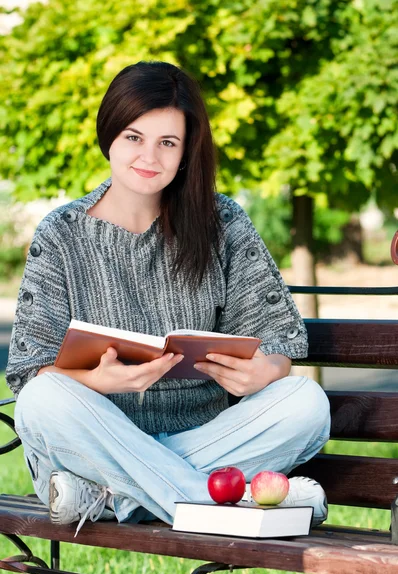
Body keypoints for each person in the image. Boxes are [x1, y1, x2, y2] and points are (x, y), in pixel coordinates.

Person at [6, 61, 330, 536]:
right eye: (134, 137)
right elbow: (30, 367)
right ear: (110, 135)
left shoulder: (222, 222)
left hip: (203, 436)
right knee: (40, 400)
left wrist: (268, 370)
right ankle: (209, 500)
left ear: (186, 152)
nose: (149, 156)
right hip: (99, 435)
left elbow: (277, 335)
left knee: (306, 402)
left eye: (168, 143)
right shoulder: (62, 234)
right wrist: (98, 380)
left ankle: (116, 496)